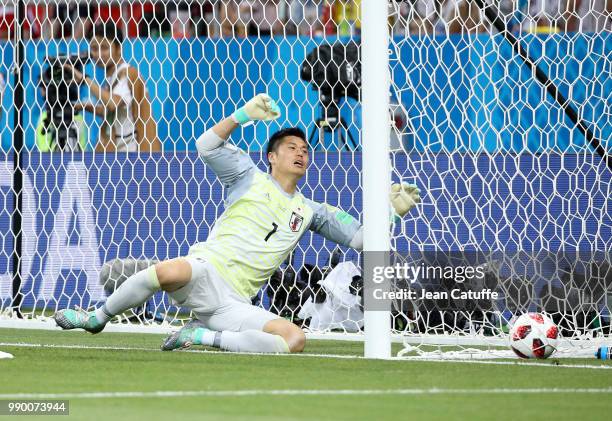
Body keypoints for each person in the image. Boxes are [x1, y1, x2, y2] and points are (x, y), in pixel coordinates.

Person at [53, 94, 421, 353]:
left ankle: (200, 337)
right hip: (206, 270)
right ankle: (97, 318)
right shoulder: (247, 174)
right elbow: (206, 145)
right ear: (272, 156)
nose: (300, 153)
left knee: (294, 340)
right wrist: (242, 115)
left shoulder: (313, 211)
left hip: (235, 303)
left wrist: (390, 213)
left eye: (305, 150)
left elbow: (362, 240)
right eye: (291, 147)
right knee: (168, 270)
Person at [64, 21, 161, 152]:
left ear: (119, 48)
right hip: (119, 156)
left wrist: (84, 79)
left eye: (104, 47)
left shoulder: (127, 74)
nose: (98, 54)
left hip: (133, 157)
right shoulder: (112, 78)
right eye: (94, 48)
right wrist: (84, 107)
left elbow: (113, 103)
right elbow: (113, 113)